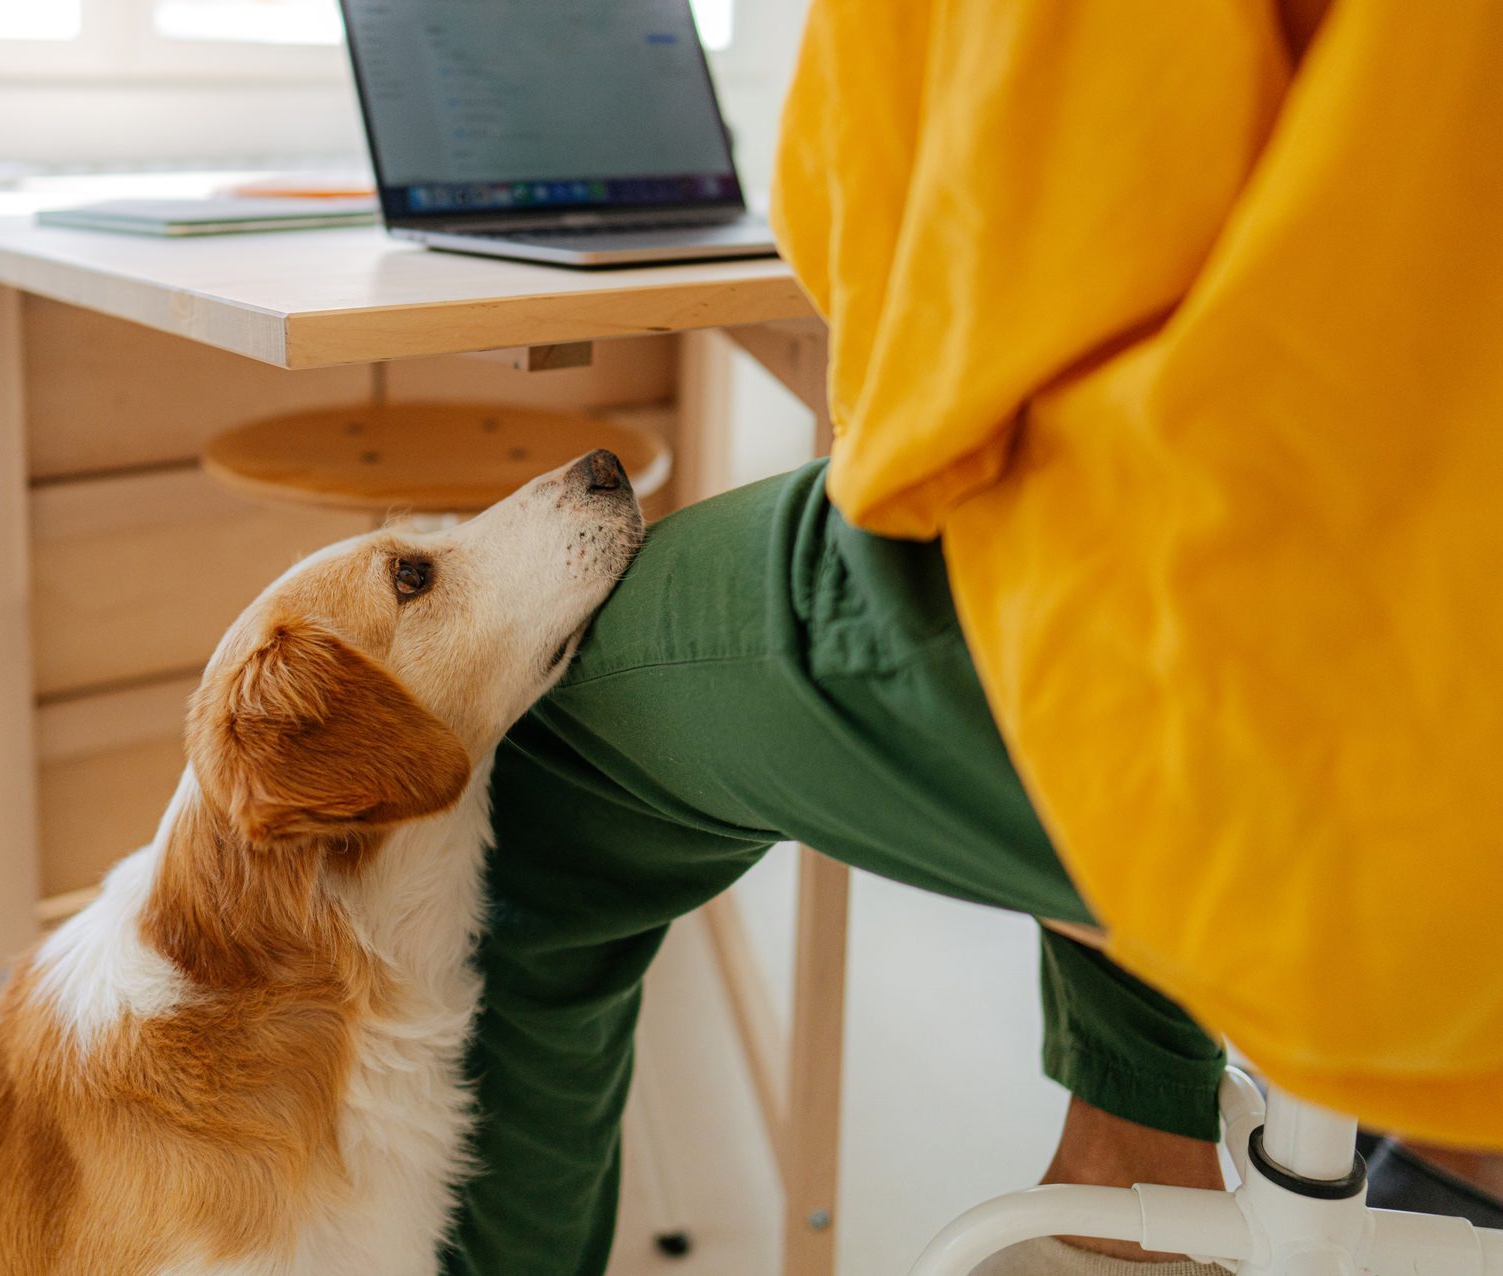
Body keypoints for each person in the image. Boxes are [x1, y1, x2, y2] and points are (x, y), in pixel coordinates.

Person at [443, 1, 1503, 1273]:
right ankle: (1139, 1148)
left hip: (1367, 670)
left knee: (530, 746)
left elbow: (948, 244)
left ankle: (1145, 1154)